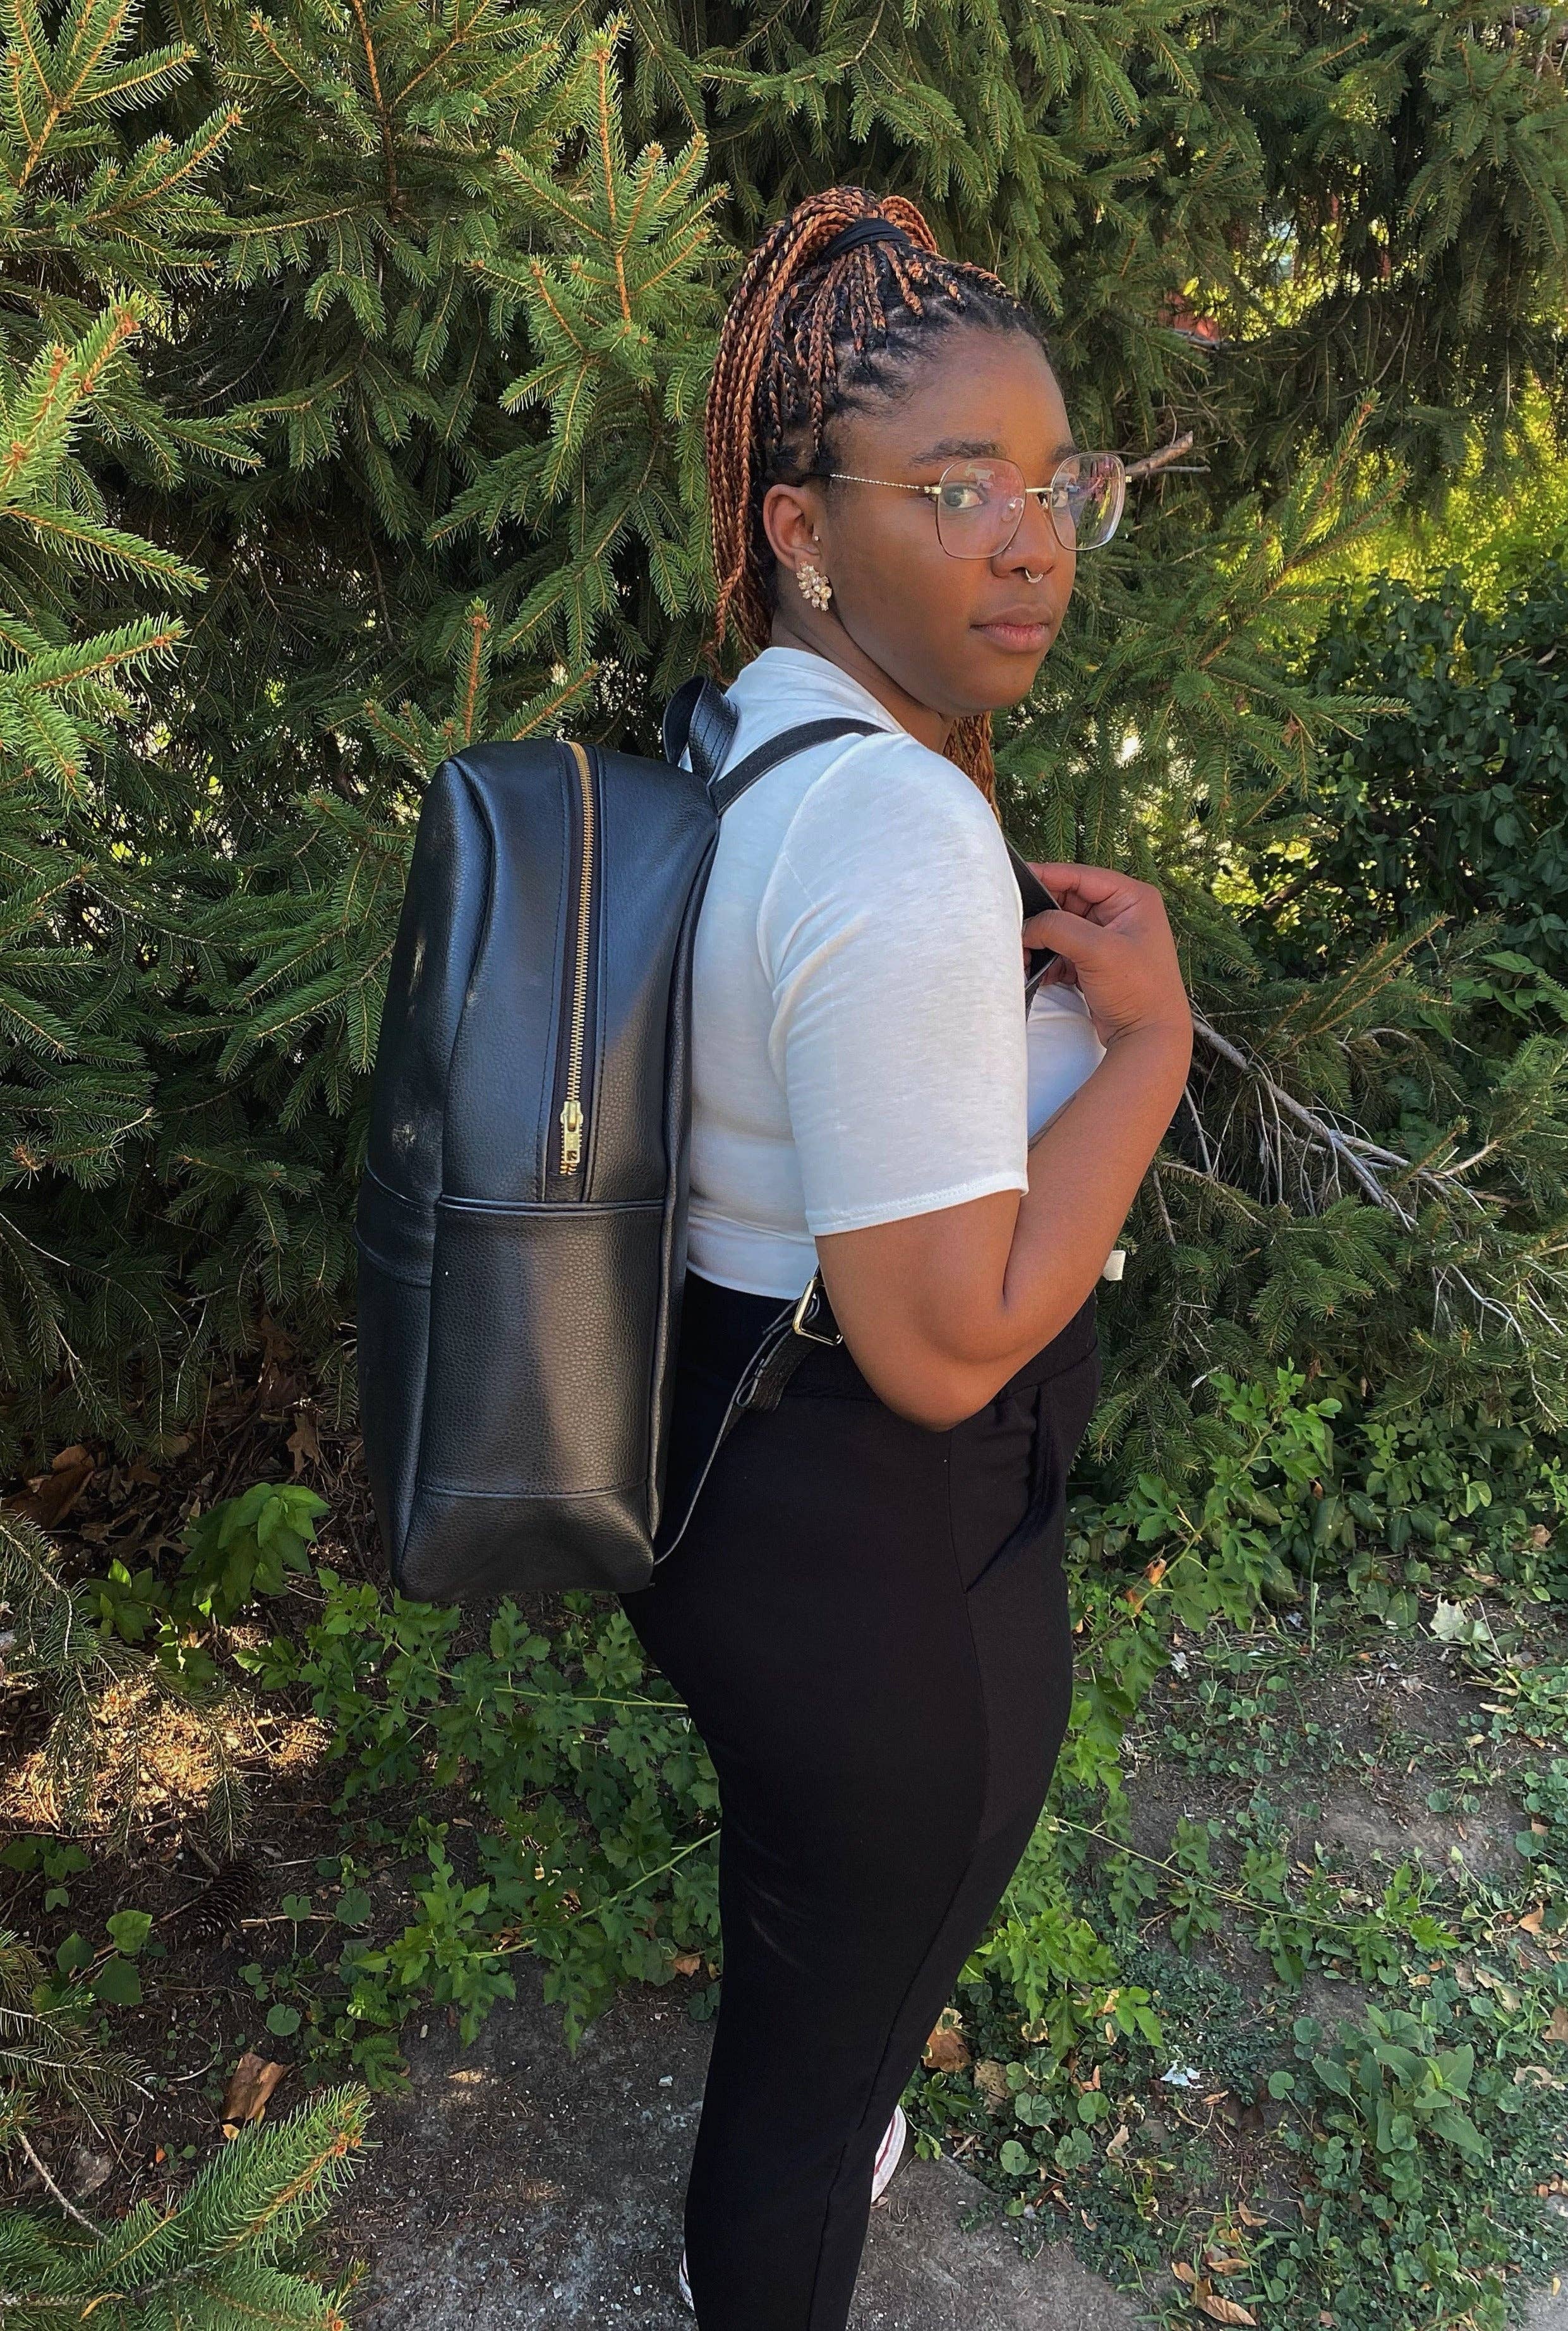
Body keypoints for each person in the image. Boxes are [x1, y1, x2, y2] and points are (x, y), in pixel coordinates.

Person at [616, 185, 1193, 2330]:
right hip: (872, 1516)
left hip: (719, 1457)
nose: (1030, 543)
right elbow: (943, 1345)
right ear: (800, 525)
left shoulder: (745, 732)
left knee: (833, 1935)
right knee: (811, 2058)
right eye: (958, 490)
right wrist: (1151, 1046)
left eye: (1055, 485)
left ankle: (840, 2075)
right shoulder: (892, 820)